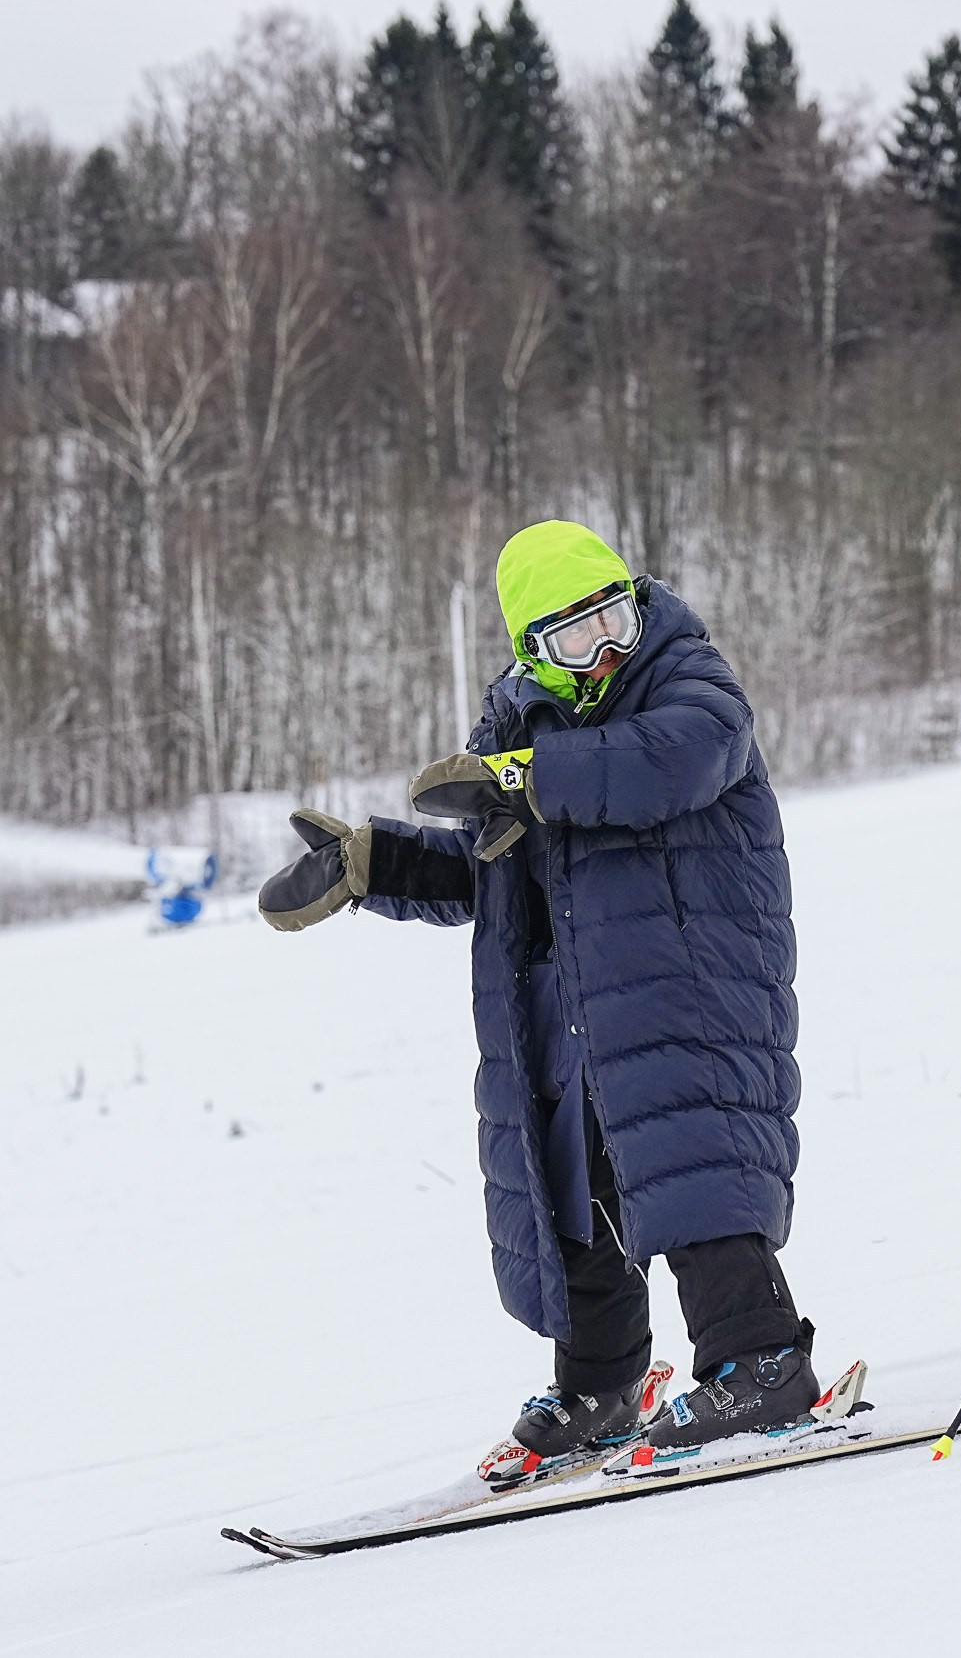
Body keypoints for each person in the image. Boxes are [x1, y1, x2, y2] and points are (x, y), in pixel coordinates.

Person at [257, 520, 819, 1481]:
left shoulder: (689, 681)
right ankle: (603, 1380)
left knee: (694, 1160)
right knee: (576, 1191)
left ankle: (760, 1358)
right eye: (572, 637)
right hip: (568, 1008)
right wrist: (372, 863)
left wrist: (527, 779)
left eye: (613, 617)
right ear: (532, 652)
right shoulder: (516, 727)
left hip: (689, 982)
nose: (602, 649)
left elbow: (669, 760)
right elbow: (491, 866)